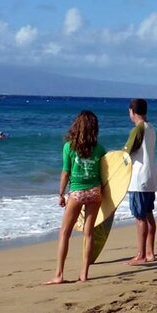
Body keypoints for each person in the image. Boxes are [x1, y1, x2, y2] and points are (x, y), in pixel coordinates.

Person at [45, 110, 106, 285]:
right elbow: (106, 173)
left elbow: (65, 172)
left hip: (77, 193)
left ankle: (59, 274)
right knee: (88, 233)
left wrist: (61, 194)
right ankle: (84, 273)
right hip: (95, 192)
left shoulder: (69, 147)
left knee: (64, 233)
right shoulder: (100, 148)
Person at [124, 98, 157, 265]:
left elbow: (127, 152)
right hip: (151, 177)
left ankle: (141, 254)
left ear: (132, 111)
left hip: (139, 179)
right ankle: (150, 252)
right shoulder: (151, 128)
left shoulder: (137, 129)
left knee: (140, 218)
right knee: (148, 214)